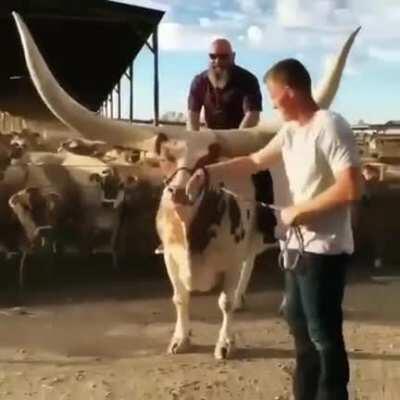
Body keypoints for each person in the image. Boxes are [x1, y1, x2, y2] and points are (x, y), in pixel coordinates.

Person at [186, 58, 361, 400]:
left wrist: (300, 210)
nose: (272, 103)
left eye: (273, 95)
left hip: (323, 252)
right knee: (299, 328)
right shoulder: (291, 131)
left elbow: (351, 188)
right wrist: (208, 173)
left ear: (290, 91)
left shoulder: (330, 126)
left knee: (323, 336)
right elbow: (254, 161)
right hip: (295, 250)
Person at [187, 38, 262, 131]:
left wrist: (235, 140)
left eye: (223, 57)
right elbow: (192, 115)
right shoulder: (199, 81)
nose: (217, 61)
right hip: (211, 134)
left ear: (233, 56)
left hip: (240, 135)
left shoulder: (248, 80)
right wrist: (194, 139)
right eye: (213, 56)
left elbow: (252, 115)